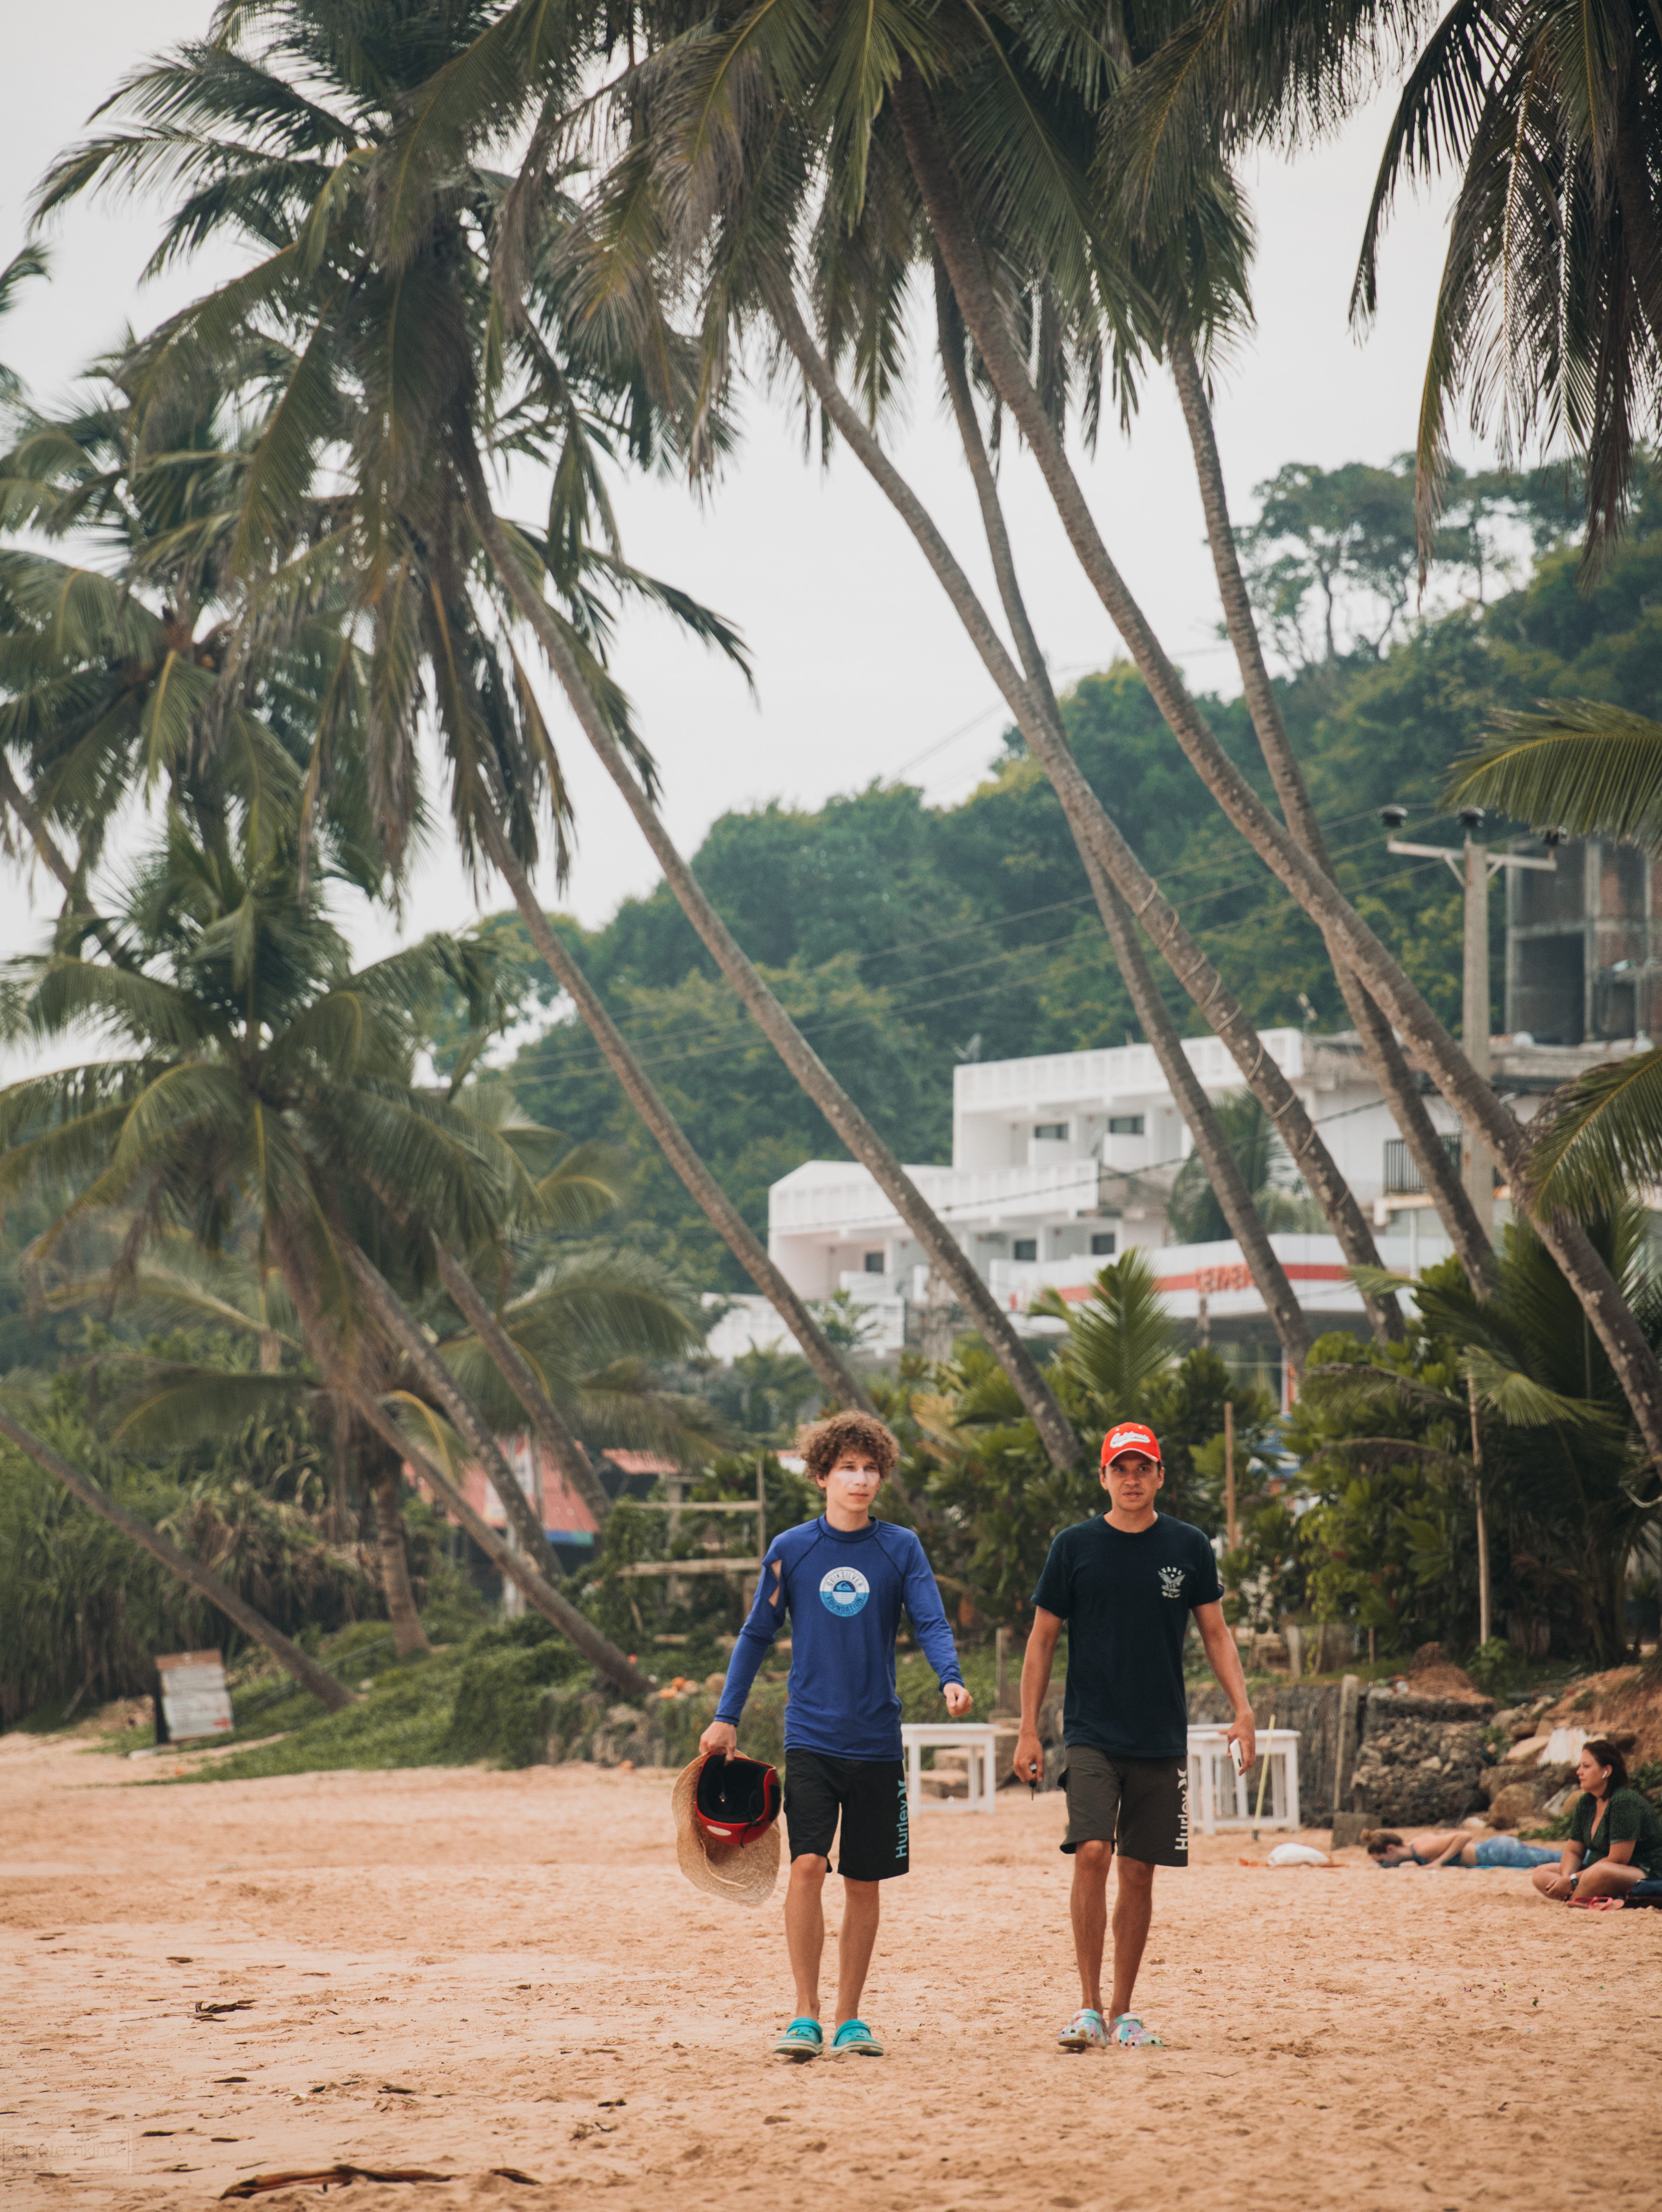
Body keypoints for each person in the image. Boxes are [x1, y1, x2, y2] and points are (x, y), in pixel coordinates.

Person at [699, 1410, 971, 2061]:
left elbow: (930, 1619)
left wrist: (950, 1677)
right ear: (821, 1474)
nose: (859, 1478)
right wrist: (726, 1713)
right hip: (811, 1736)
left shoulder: (899, 1547)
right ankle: (805, 2011)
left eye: (870, 1467)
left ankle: (850, 2016)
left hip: (877, 1738)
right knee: (806, 1864)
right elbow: (754, 1634)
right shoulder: (790, 1549)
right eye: (846, 1466)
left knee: (863, 1881)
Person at [1015, 1420, 1255, 2053]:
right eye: (1119, 1467)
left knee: (1139, 1870)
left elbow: (1214, 1632)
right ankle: (1087, 2005)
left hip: (1159, 1735)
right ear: (1103, 1475)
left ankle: (1123, 2010)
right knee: (1092, 1850)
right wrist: (1028, 1730)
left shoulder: (1187, 1544)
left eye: (1141, 1467)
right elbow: (1041, 1639)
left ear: (1158, 1475)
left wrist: (1243, 1708)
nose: (1130, 1478)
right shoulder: (1073, 1546)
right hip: (1090, 1730)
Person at [1531, 1739, 1662, 1904]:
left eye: (1586, 1766)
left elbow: (1619, 1859)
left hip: (1644, 1871)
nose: (1579, 1772)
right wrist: (1566, 1878)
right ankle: (1581, 1896)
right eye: (1580, 1766)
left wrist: (1572, 1881)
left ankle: (1576, 1898)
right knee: (1541, 1873)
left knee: (1599, 1873)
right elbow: (1574, 1851)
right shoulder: (1586, 1802)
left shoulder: (1624, 1801)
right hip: (1594, 1872)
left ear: (1606, 1771)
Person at [1364, 1827, 1561, 1870]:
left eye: (1382, 1861)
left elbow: (1464, 1836)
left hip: (1495, 1853)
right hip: (1495, 1851)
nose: (1384, 1866)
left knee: (1561, 1859)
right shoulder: (1414, 1846)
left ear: (1390, 1849)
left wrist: (1439, 1862)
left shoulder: (1422, 1849)